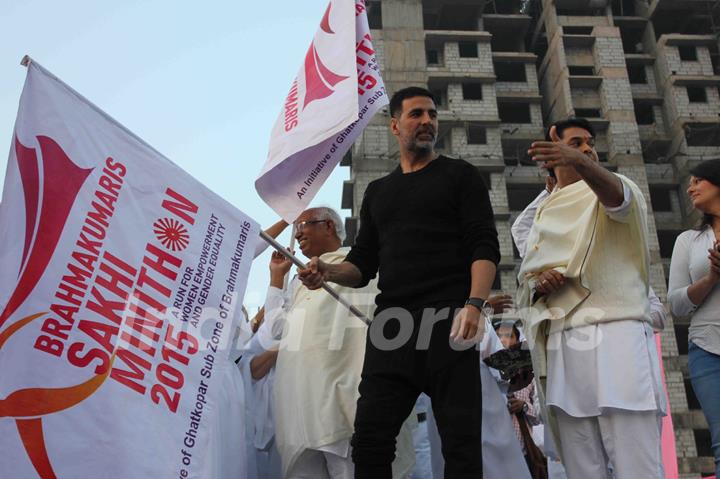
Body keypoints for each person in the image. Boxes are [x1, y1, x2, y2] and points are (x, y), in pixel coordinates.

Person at [298, 86, 500, 478]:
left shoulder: (461, 176)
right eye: (416, 115)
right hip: (392, 329)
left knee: (460, 446)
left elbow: (484, 245)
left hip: (450, 323)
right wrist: (326, 270)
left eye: (432, 114)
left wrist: (474, 305)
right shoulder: (377, 193)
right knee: (370, 441)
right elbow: (362, 264)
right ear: (395, 125)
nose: (427, 122)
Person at [517, 117, 665, 478]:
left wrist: (579, 162)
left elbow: (618, 200)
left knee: (635, 459)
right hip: (563, 343)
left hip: (617, 335)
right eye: (575, 143)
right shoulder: (542, 215)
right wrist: (541, 285)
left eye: (588, 144)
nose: (586, 149)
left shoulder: (618, 188)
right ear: (552, 157)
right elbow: (527, 282)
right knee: (582, 462)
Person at [262, 207, 414, 479]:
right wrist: (277, 278)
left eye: (304, 225)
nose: (297, 234)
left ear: (328, 226)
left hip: (341, 399)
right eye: (296, 227)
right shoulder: (299, 280)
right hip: (299, 405)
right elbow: (274, 330)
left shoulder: (360, 267)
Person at [668, 159, 720, 479]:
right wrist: (711, 277)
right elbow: (676, 304)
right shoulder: (689, 240)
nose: (690, 187)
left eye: (698, 180)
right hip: (707, 349)